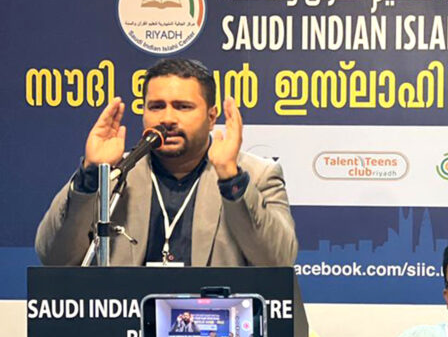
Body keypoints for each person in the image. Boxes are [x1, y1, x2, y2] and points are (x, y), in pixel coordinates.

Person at [35, 57, 297, 267]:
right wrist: (92, 175)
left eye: (183, 107)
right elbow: (54, 257)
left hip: (216, 317)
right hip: (130, 317)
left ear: (211, 117)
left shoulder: (257, 175)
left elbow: (278, 261)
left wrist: (231, 179)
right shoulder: (115, 174)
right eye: (156, 106)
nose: (167, 119)